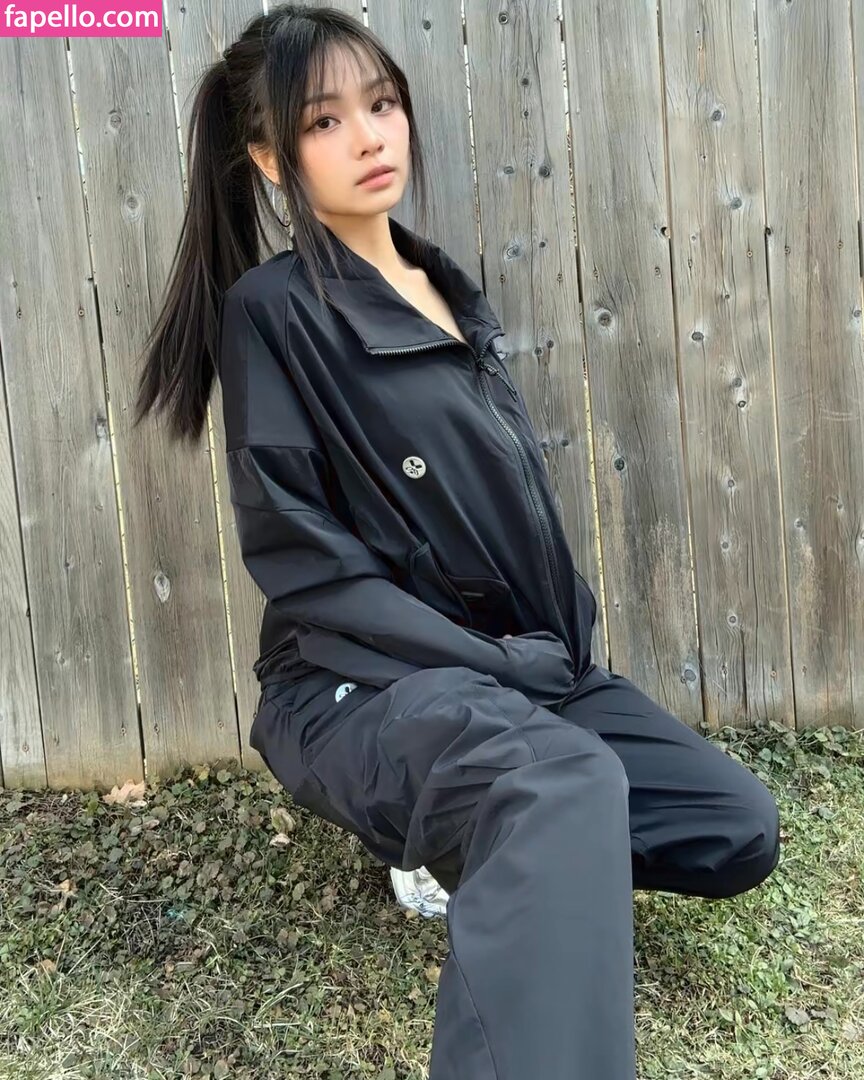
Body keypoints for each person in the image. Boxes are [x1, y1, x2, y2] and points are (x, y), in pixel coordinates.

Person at [132, 5, 781, 1077]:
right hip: (363, 682)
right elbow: (305, 563)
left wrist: (549, 653)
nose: (370, 136)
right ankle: (490, 823)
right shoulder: (275, 310)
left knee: (732, 826)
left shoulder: (447, 292)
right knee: (558, 785)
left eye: (381, 104)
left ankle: (480, 834)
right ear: (271, 158)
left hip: (524, 670)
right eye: (325, 121)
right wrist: (490, 666)